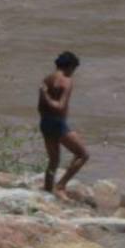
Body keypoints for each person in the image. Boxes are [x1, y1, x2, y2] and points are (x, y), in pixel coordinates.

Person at [38, 51, 90, 197]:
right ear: (70, 66)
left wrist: (45, 96)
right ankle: (61, 186)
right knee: (83, 155)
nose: (73, 73)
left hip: (45, 122)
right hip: (58, 124)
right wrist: (47, 97)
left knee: (53, 161)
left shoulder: (47, 79)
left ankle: (48, 191)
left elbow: (40, 108)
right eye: (74, 69)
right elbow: (60, 106)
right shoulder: (67, 81)